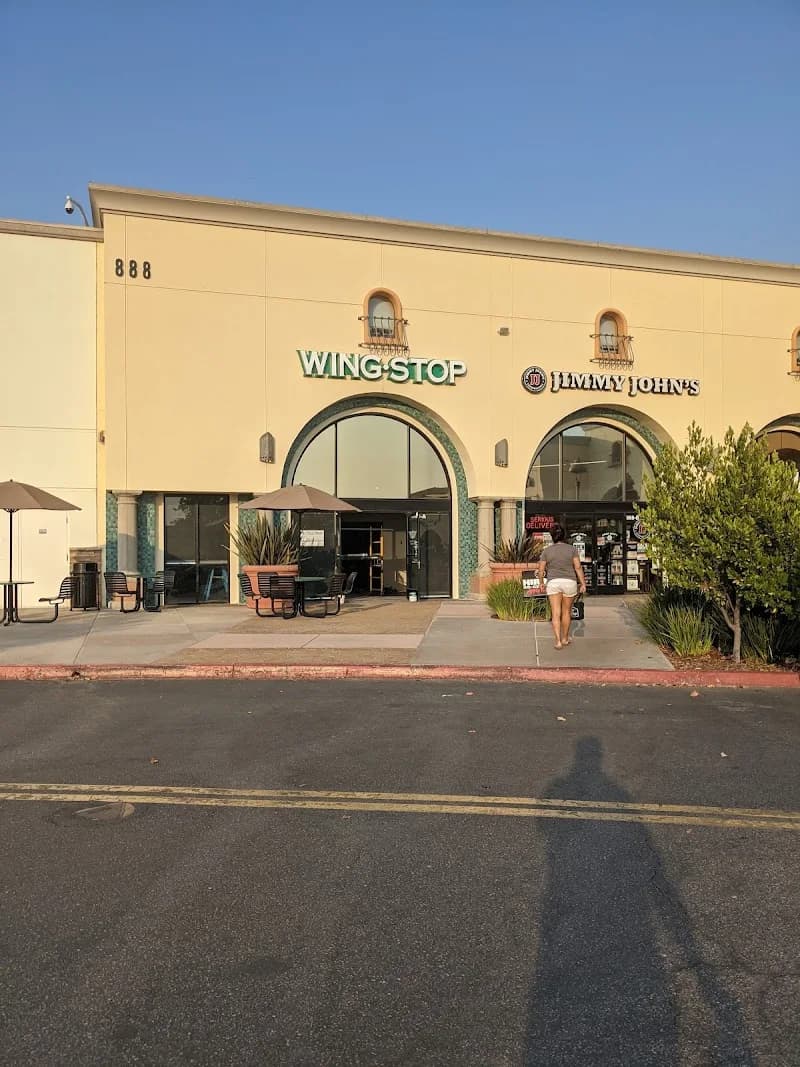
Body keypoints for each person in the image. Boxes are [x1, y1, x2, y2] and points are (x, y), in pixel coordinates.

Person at [537, 524, 587, 649]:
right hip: (569, 582)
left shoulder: (547, 551)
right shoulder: (571, 549)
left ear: (552, 537)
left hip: (553, 582)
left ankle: (558, 641)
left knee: (555, 613)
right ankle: (565, 638)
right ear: (564, 536)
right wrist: (583, 583)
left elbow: (541, 570)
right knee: (566, 612)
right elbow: (578, 567)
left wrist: (541, 583)